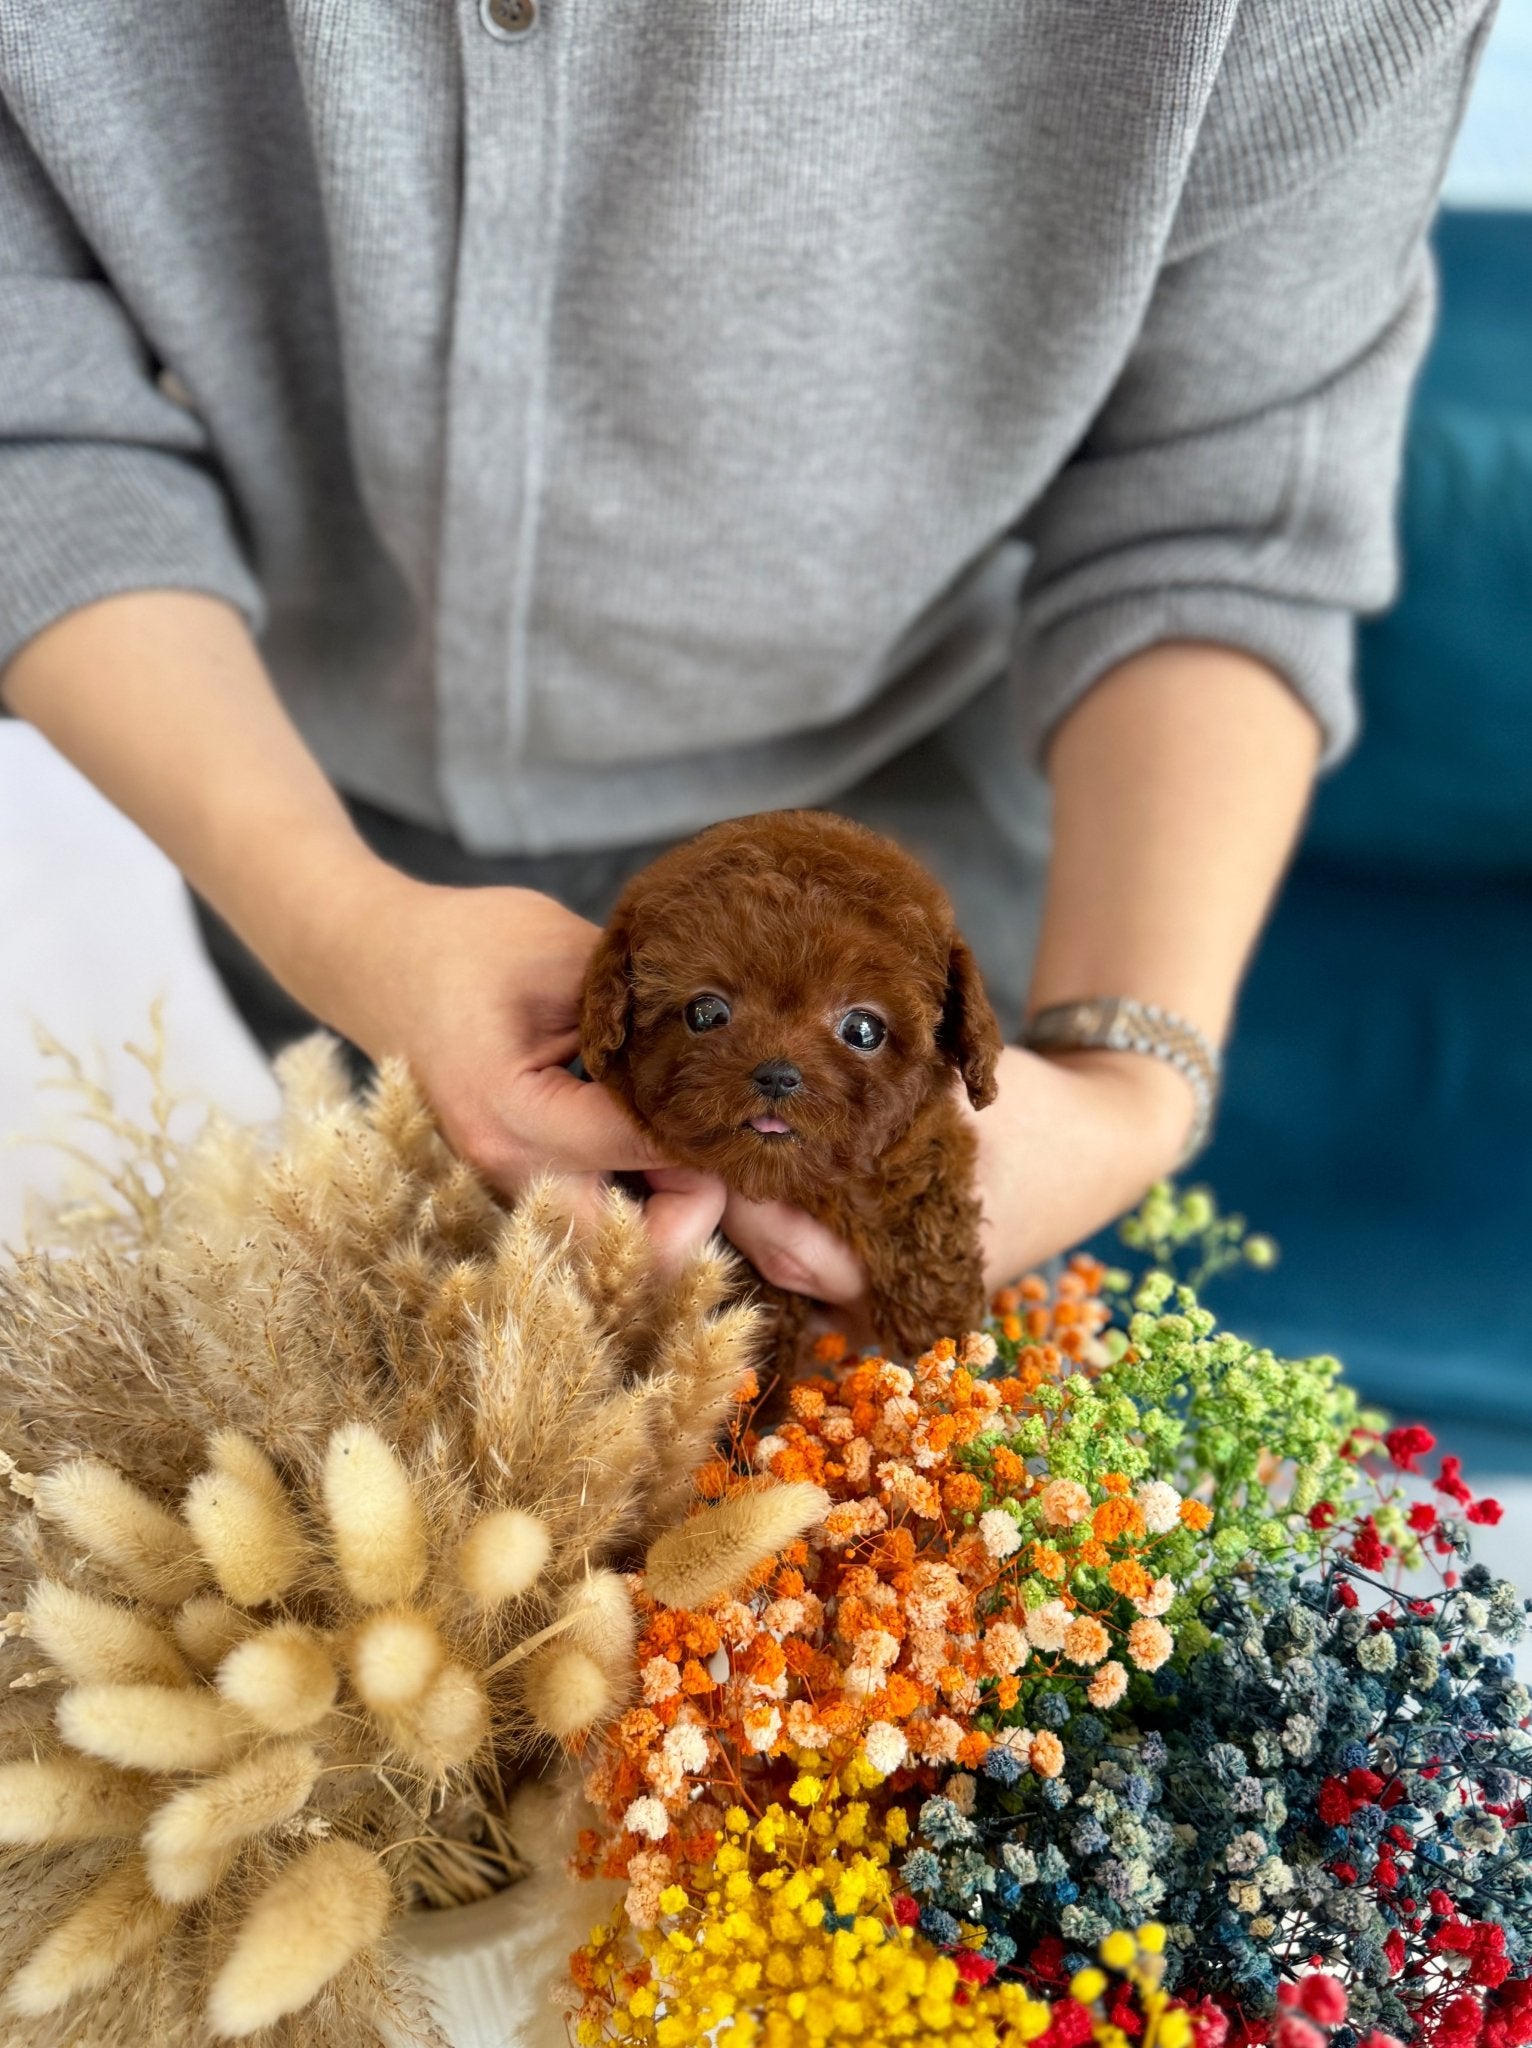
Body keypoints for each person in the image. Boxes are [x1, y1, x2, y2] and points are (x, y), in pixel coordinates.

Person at [0, 1, 1493, 1318]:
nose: (774, 1064)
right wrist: (337, 923)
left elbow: (1229, 504)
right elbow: (35, 421)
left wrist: (1126, 1086)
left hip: (931, 800)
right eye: (724, 1025)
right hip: (290, 788)